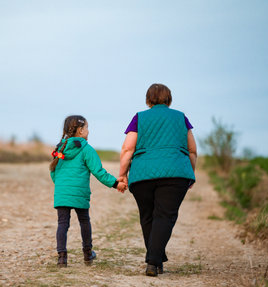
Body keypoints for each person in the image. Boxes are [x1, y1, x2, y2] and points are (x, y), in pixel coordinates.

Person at [119, 83, 197, 276]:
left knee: (147, 216)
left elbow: (128, 149)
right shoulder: (181, 118)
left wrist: (122, 174)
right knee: (164, 216)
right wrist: (190, 172)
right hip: (175, 174)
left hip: (143, 174)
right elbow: (192, 150)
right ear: (169, 99)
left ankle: (154, 261)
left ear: (148, 99)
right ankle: (154, 260)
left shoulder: (140, 118)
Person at [50, 115, 127, 268]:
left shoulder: (60, 148)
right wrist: (115, 183)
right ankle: (87, 254)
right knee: (84, 220)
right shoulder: (86, 148)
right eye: (86, 127)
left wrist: (61, 187)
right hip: (79, 194)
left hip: (61, 193)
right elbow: (98, 171)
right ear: (80, 131)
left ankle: (62, 258)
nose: (88, 131)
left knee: (62, 223)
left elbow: (53, 171)